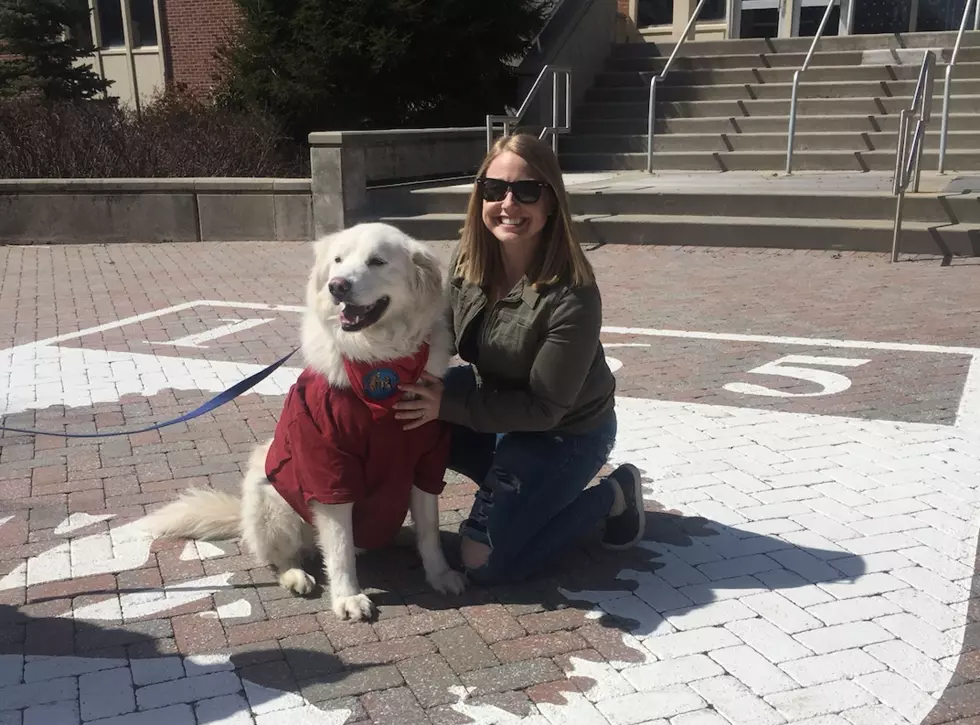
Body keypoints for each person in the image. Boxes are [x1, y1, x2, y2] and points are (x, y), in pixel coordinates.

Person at [393, 133, 645, 585]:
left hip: (564, 431)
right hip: (495, 404)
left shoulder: (574, 294)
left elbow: (545, 409)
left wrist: (444, 405)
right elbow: (437, 337)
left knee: (482, 565)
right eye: (494, 189)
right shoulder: (467, 260)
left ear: (551, 202)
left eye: (526, 191)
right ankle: (512, 485)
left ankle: (612, 494)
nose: (508, 203)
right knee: (397, 408)